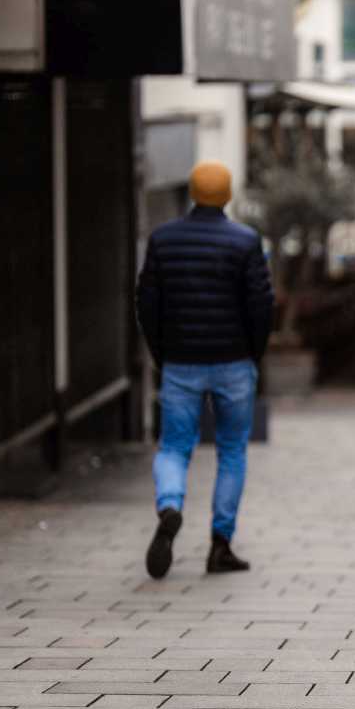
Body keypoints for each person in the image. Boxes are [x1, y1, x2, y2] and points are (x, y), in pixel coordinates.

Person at [135, 161, 274, 579]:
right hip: (234, 362)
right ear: (228, 195)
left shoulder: (163, 240)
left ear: (192, 193)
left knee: (174, 445)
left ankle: (170, 505)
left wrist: (163, 353)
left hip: (180, 362)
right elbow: (261, 304)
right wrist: (254, 352)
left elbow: (146, 303)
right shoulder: (246, 241)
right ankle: (220, 545)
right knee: (232, 450)